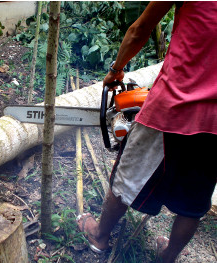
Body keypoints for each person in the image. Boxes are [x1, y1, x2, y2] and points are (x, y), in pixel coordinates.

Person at [77, 2, 217, 262]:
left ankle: (99, 235)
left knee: (127, 176)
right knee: (194, 200)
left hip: (173, 106)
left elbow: (139, 29)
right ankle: (168, 257)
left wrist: (116, 69)